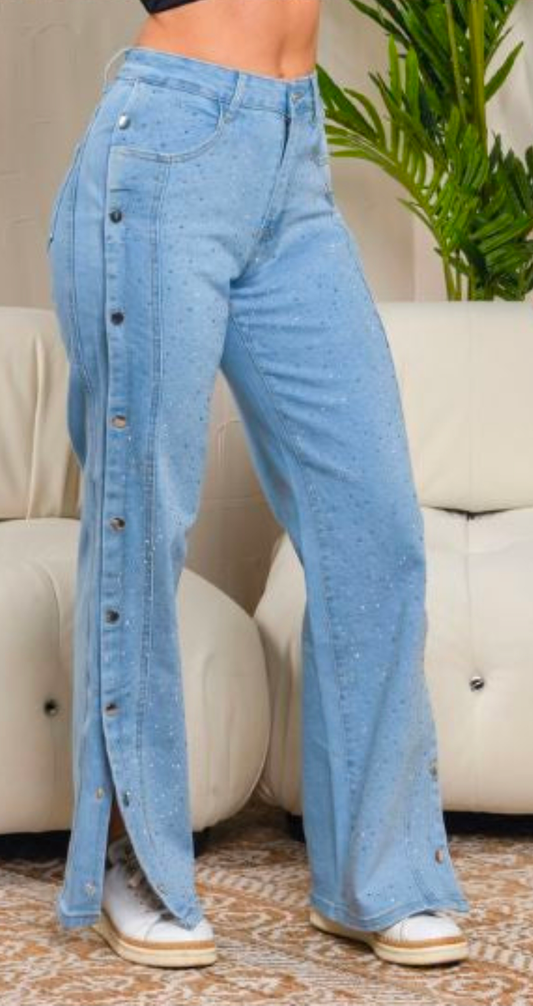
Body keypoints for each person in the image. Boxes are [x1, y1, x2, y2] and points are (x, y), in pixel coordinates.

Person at [46, 0, 471, 971]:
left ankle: (376, 876)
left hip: (295, 154)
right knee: (141, 523)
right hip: (166, 143)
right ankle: (135, 861)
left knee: (372, 523)